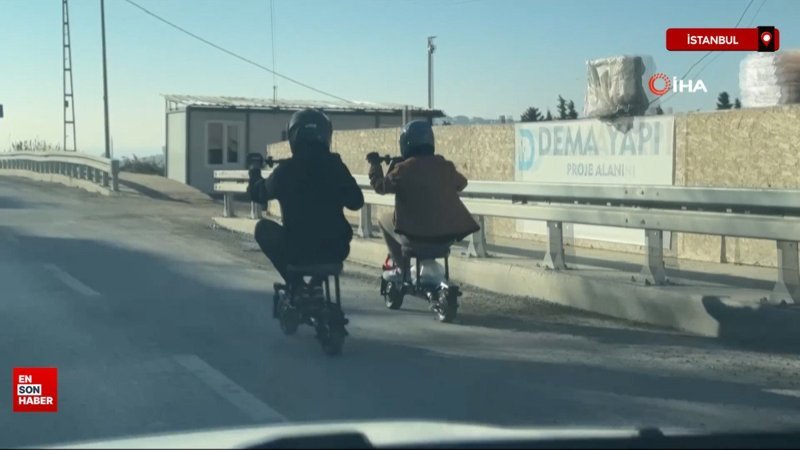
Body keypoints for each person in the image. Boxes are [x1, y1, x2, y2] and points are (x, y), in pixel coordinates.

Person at [248, 109, 364, 291]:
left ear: (294, 136)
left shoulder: (286, 170)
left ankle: (296, 285)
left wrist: (254, 171)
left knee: (262, 228)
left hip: (297, 250)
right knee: (329, 239)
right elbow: (356, 202)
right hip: (335, 250)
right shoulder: (336, 166)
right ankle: (316, 286)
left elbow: (258, 194)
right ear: (326, 135)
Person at [366, 120, 479, 275]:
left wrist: (375, 166)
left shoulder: (403, 169)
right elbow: (462, 183)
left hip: (415, 238)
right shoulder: (444, 166)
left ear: (405, 143)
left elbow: (381, 186)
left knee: (384, 220)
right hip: (445, 238)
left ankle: (403, 270)